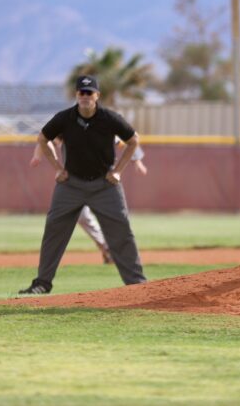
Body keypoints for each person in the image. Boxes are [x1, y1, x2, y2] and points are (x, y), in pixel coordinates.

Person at [19, 75, 147, 294]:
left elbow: (133, 139)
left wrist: (118, 172)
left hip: (104, 184)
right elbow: (42, 138)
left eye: (90, 93)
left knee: (121, 231)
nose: (85, 96)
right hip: (71, 184)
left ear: (97, 95)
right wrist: (58, 168)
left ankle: (137, 285)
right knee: (54, 230)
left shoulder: (109, 118)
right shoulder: (64, 118)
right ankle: (42, 283)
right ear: (76, 95)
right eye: (82, 92)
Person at [29, 137, 148, 265]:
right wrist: (38, 156)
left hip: (102, 182)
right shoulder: (69, 126)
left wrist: (137, 161)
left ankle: (127, 257)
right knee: (82, 216)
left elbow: (127, 141)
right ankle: (108, 249)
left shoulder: (102, 126)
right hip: (75, 182)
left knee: (115, 218)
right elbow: (46, 139)